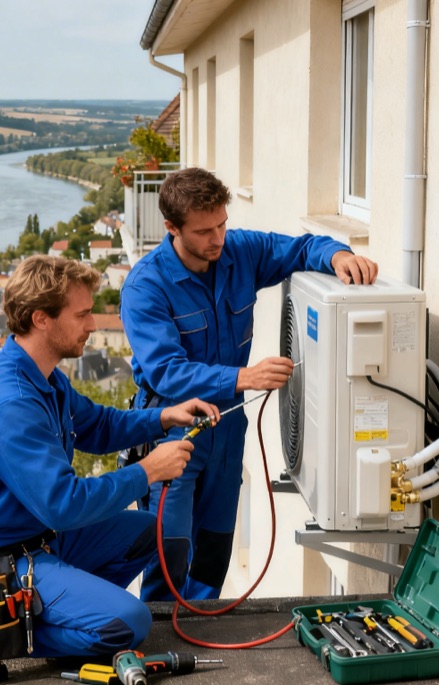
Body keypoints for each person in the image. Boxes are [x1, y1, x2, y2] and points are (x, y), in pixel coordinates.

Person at [0, 255, 220, 683]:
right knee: (129, 625)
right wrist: (148, 470)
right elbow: (64, 505)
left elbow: (98, 425)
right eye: (82, 314)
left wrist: (164, 417)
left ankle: (61, 613)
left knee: (149, 534)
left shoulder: (44, 378)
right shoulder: (10, 401)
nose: (92, 324)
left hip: (38, 538)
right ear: (41, 319)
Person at [120, 167, 378, 602]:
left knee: (214, 553)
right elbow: (166, 370)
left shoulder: (240, 251)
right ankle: (162, 647)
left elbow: (302, 248)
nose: (217, 238)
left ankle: (202, 636)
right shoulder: (146, 286)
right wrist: (246, 377)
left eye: (222, 223)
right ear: (171, 228)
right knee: (169, 555)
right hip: (172, 430)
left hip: (228, 430)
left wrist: (338, 256)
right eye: (203, 231)